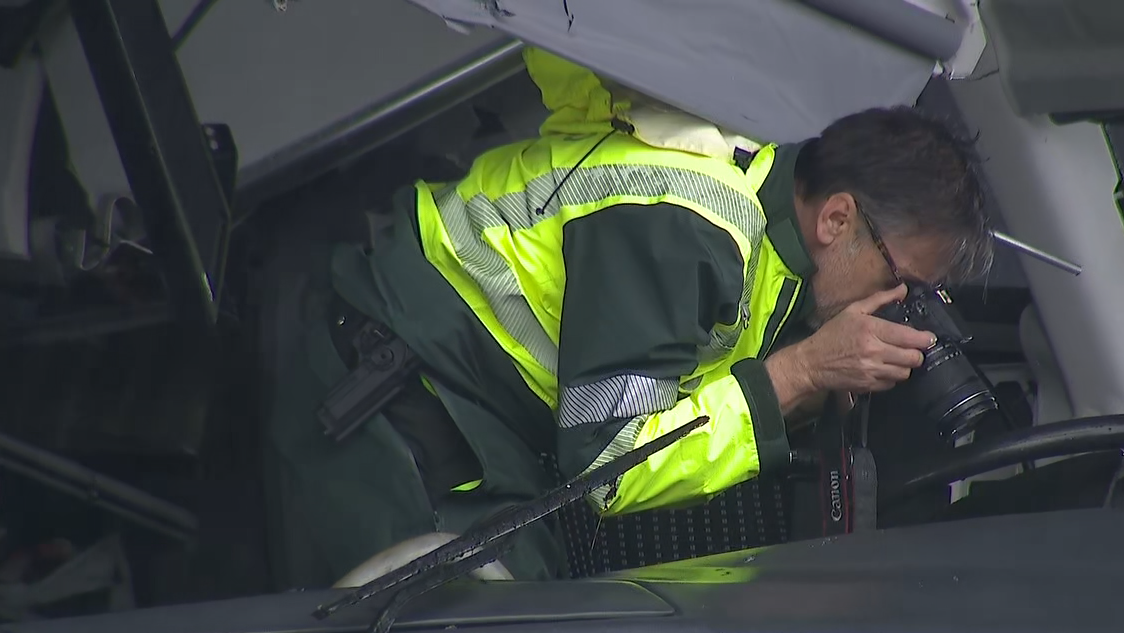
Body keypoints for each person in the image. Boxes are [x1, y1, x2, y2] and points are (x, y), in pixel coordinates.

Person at [260, 47, 993, 588]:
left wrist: (811, 380)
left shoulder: (768, 224)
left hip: (474, 404)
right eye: (904, 282)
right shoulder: (692, 227)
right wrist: (792, 376)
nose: (903, 307)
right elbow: (610, 467)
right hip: (391, 375)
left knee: (535, 621)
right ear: (838, 218)